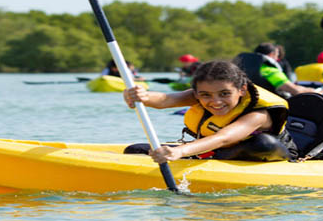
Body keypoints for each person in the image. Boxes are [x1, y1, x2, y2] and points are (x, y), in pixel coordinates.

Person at [122, 60, 298, 162]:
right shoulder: (198, 95)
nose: (216, 101)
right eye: (206, 95)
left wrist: (180, 151)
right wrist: (142, 96)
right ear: (197, 92)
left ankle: (202, 157)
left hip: (263, 153)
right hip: (219, 152)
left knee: (263, 144)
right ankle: (205, 157)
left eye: (225, 94)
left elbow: (223, 138)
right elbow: (166, 100)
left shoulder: (259, 113)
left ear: (242, 90)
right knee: (135, 150)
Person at [233, 43, 319, 97]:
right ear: (271, 55)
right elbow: (296, 90)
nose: (277, 59)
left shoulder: (238, 68)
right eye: (277, 55)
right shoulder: (269, 70)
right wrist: (314, 91)